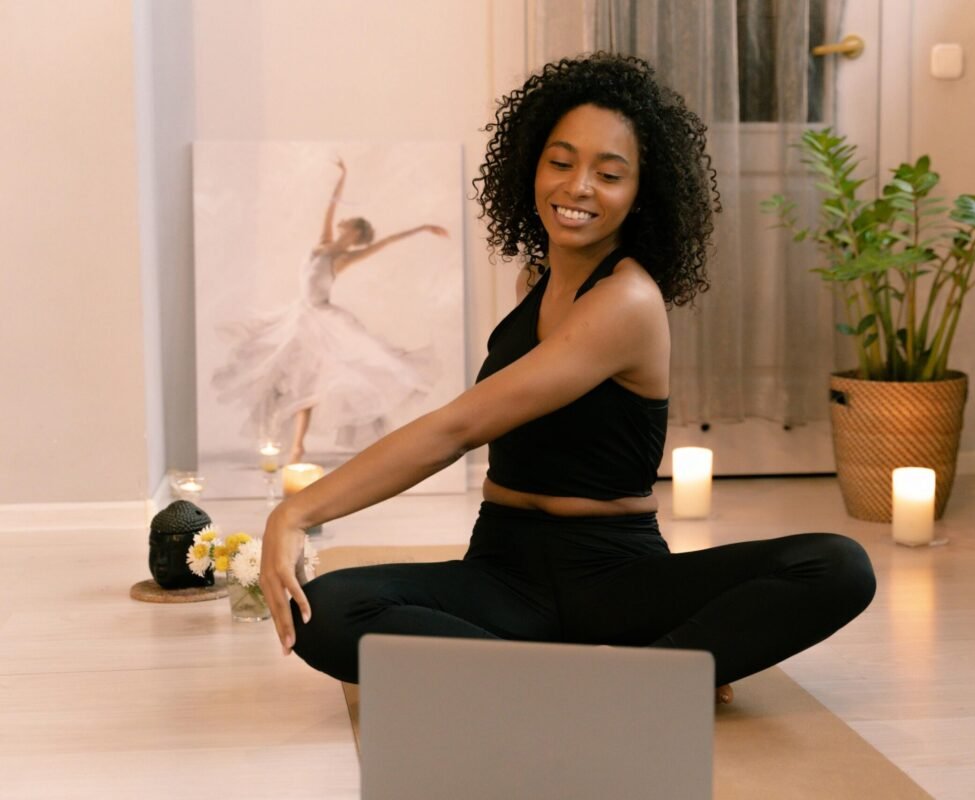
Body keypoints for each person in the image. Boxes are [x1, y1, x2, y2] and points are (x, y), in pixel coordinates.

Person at [260, 53, 876, 706]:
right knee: (322, 611)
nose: (579, 187)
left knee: (837, 566)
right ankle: (633, 680)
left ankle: (584, 682)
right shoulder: (538, 280)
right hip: (502, 569)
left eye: (609, 174)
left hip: (617, 576)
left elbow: (460, 427)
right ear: (531, 164)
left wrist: (297, 509)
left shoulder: (628, 301)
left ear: (642, 193)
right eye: (561, 162)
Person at [211, 156, 449, 465]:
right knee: (284, 378)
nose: (344, 227)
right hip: (299, 316)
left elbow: (387, 242)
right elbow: (331, 206)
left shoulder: (345, 259)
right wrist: (343, 176)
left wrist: (422, 228)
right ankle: (284, 443)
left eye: (351, 229)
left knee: (321, 379)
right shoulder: (324, 244)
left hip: (323, 320)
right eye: (345, 225)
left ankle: (303, 447)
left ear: (357, 236)